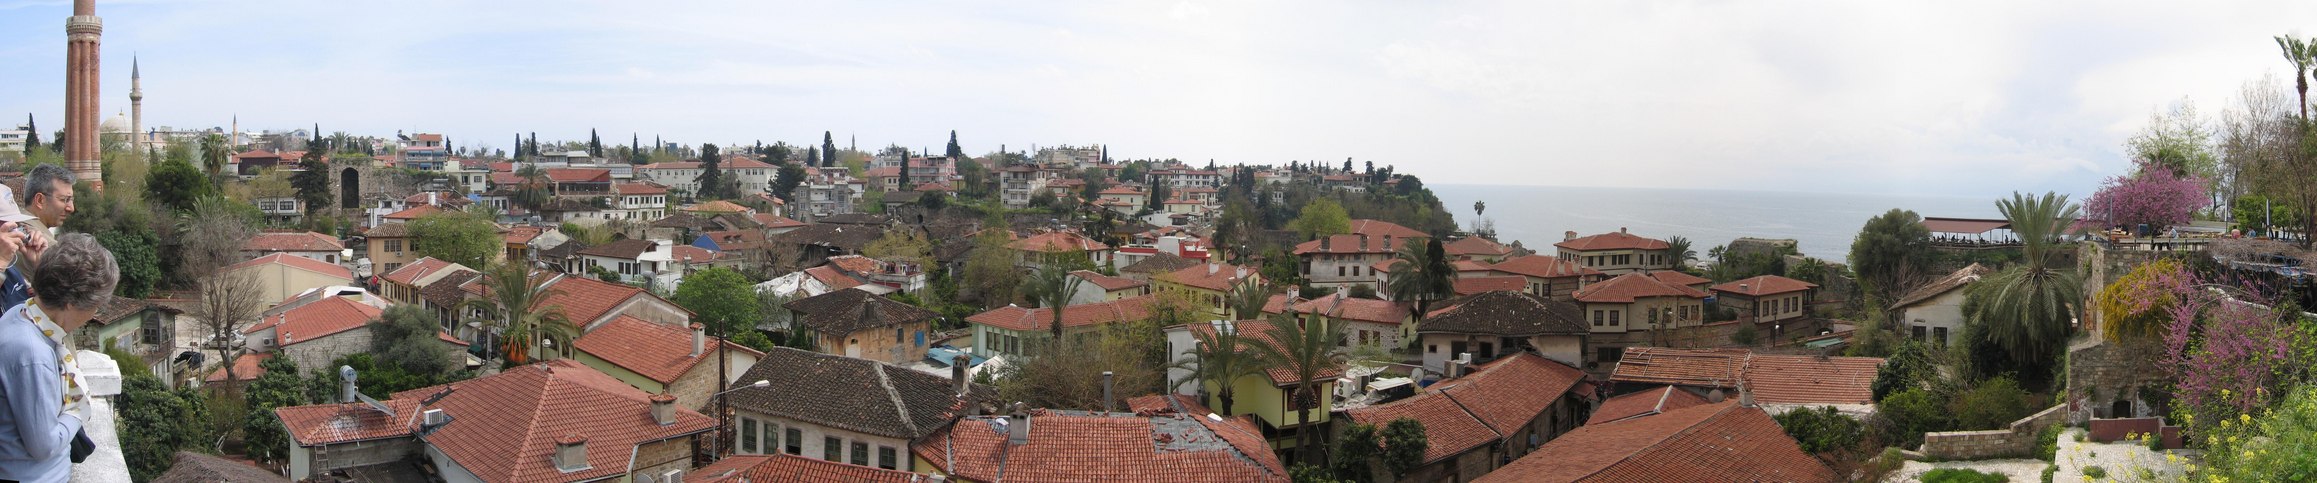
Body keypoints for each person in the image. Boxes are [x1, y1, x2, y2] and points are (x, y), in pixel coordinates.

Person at [0, 234, 119, 482]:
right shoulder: (33, 354)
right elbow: (43, 445)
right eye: (95, 305)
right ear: (71, 303)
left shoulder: (21, 313)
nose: (93, 314)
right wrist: (78, 409)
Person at [13, 165, 72, 270]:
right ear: (40, 200)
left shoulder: (14, 227)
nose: (71, 208)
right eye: (64, 199)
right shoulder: (47, 248)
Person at [0, 184, 36, 309]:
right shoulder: (4, 262)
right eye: (9, 227)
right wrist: (1, 262)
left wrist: (39, 264)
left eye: (18, 225)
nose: (18, 233)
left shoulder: (11, 269)